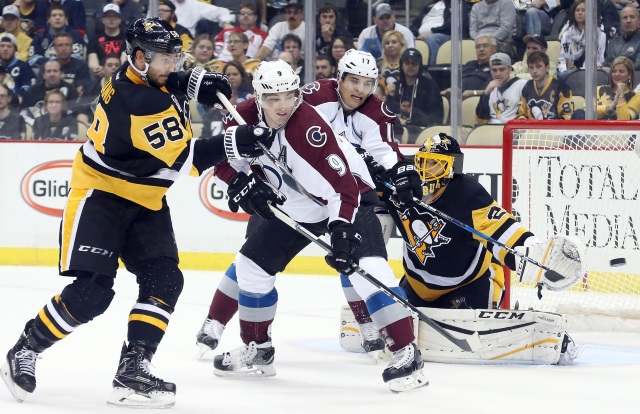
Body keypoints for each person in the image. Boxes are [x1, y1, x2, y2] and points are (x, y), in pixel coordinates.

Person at [0, 17, 276, 408]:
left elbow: (170, 81)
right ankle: (26, 348)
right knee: (91, 295)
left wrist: (196, 80)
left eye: (176, 56)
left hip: (146, 200)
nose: (173, 64)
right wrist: (240, 140)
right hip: (101, 198)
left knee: (165, 281)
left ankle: (133, 369)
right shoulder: (138, 100)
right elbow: (186, 159)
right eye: (168, 58)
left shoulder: (148, 77)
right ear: (142, 57)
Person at [199, 55, 428, 392]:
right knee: (250, 268)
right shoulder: (241, 117)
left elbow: (345, 189)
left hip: (347, 201)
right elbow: (222, 160)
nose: (283, 106)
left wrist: (342, 230)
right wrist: (238, 181)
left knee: (369, 273)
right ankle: (259, 351)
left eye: (290, 96)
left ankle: (407, 355)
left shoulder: (310, 129)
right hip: (295, 208)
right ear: (258, 97)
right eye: (273, 98)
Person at [387, 48, 443, 127]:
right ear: (402, 65)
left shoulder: (430, 87)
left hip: (421, 131)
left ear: (419, 66)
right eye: (407, 63)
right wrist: (387, 96)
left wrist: (408, 122)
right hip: (397, 130)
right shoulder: (394, 87)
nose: (410, 66)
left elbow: (436, 118)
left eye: (414, 63)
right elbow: (386, 114)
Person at [573, 56, 640, 120]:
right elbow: (587, 111)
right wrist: (611, 106)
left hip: (616, 130)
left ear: (629, 75)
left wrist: (621, 95)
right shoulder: (599, 89)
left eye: (621, 71)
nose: (617, 74)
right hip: (594, 128)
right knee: (579, 113)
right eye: (614, 71)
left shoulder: (636, 97)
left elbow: (624, 120)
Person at [557, 0, 606, 81]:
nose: (580, 13)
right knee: (562, 75)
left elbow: (600, 60)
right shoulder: (567, 34)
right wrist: (566, 69)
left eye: (583, 10)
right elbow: (562, 59)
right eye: (577, 10)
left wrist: (582, 71)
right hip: (570, 72)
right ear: (573, 14)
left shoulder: (600, 35)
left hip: (591, 72)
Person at [517, 50, 573, 120]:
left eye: (538, 66)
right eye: (531, 67)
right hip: (531, 130)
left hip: (554, 130)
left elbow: (567, 117)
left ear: (547, 68)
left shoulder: (562, 88)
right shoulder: (527, 87)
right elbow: (521, 114)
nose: (534, 71)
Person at [476, 53, 527, 124]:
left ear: (510, 69)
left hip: (512, 128)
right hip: (491, 128)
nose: (498, 74)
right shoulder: (490, 88)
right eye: (494, 70)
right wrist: (486, 94)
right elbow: (480, 119)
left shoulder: (522, 84)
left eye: (502, 69)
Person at [441, 35, 496, 100]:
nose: (481, 49)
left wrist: (473, 93)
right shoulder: (470, 64)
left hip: (478, 99)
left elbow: (497, 90)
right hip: (456, 97)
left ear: (494, 48)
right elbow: (458, 83)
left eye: (485, 46)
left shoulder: (496, 66)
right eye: (478, 47)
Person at [87, 4, 126, 79]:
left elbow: (124, 60)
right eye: (108, 16)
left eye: (114, 16)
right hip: (101, 76)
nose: (111, 19)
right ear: (102, 19)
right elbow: (92, 62)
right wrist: (98, 68)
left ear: (120, 19)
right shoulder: (94, 41)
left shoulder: (128, 39)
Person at [603, 5, 640, 70]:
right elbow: (606, 64)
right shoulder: (612, 43)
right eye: (625, 18)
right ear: (621, 21)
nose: (628, 20)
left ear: (639, 20)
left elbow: (638, 65)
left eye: (632, 17)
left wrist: (616, 68)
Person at [0, 33, 36, 98]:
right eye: (2, 46)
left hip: (17, 104)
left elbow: (29, 89)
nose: (5, 49)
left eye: (9, 46)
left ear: (15, 50)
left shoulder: (24, 67)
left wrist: (10, 93)